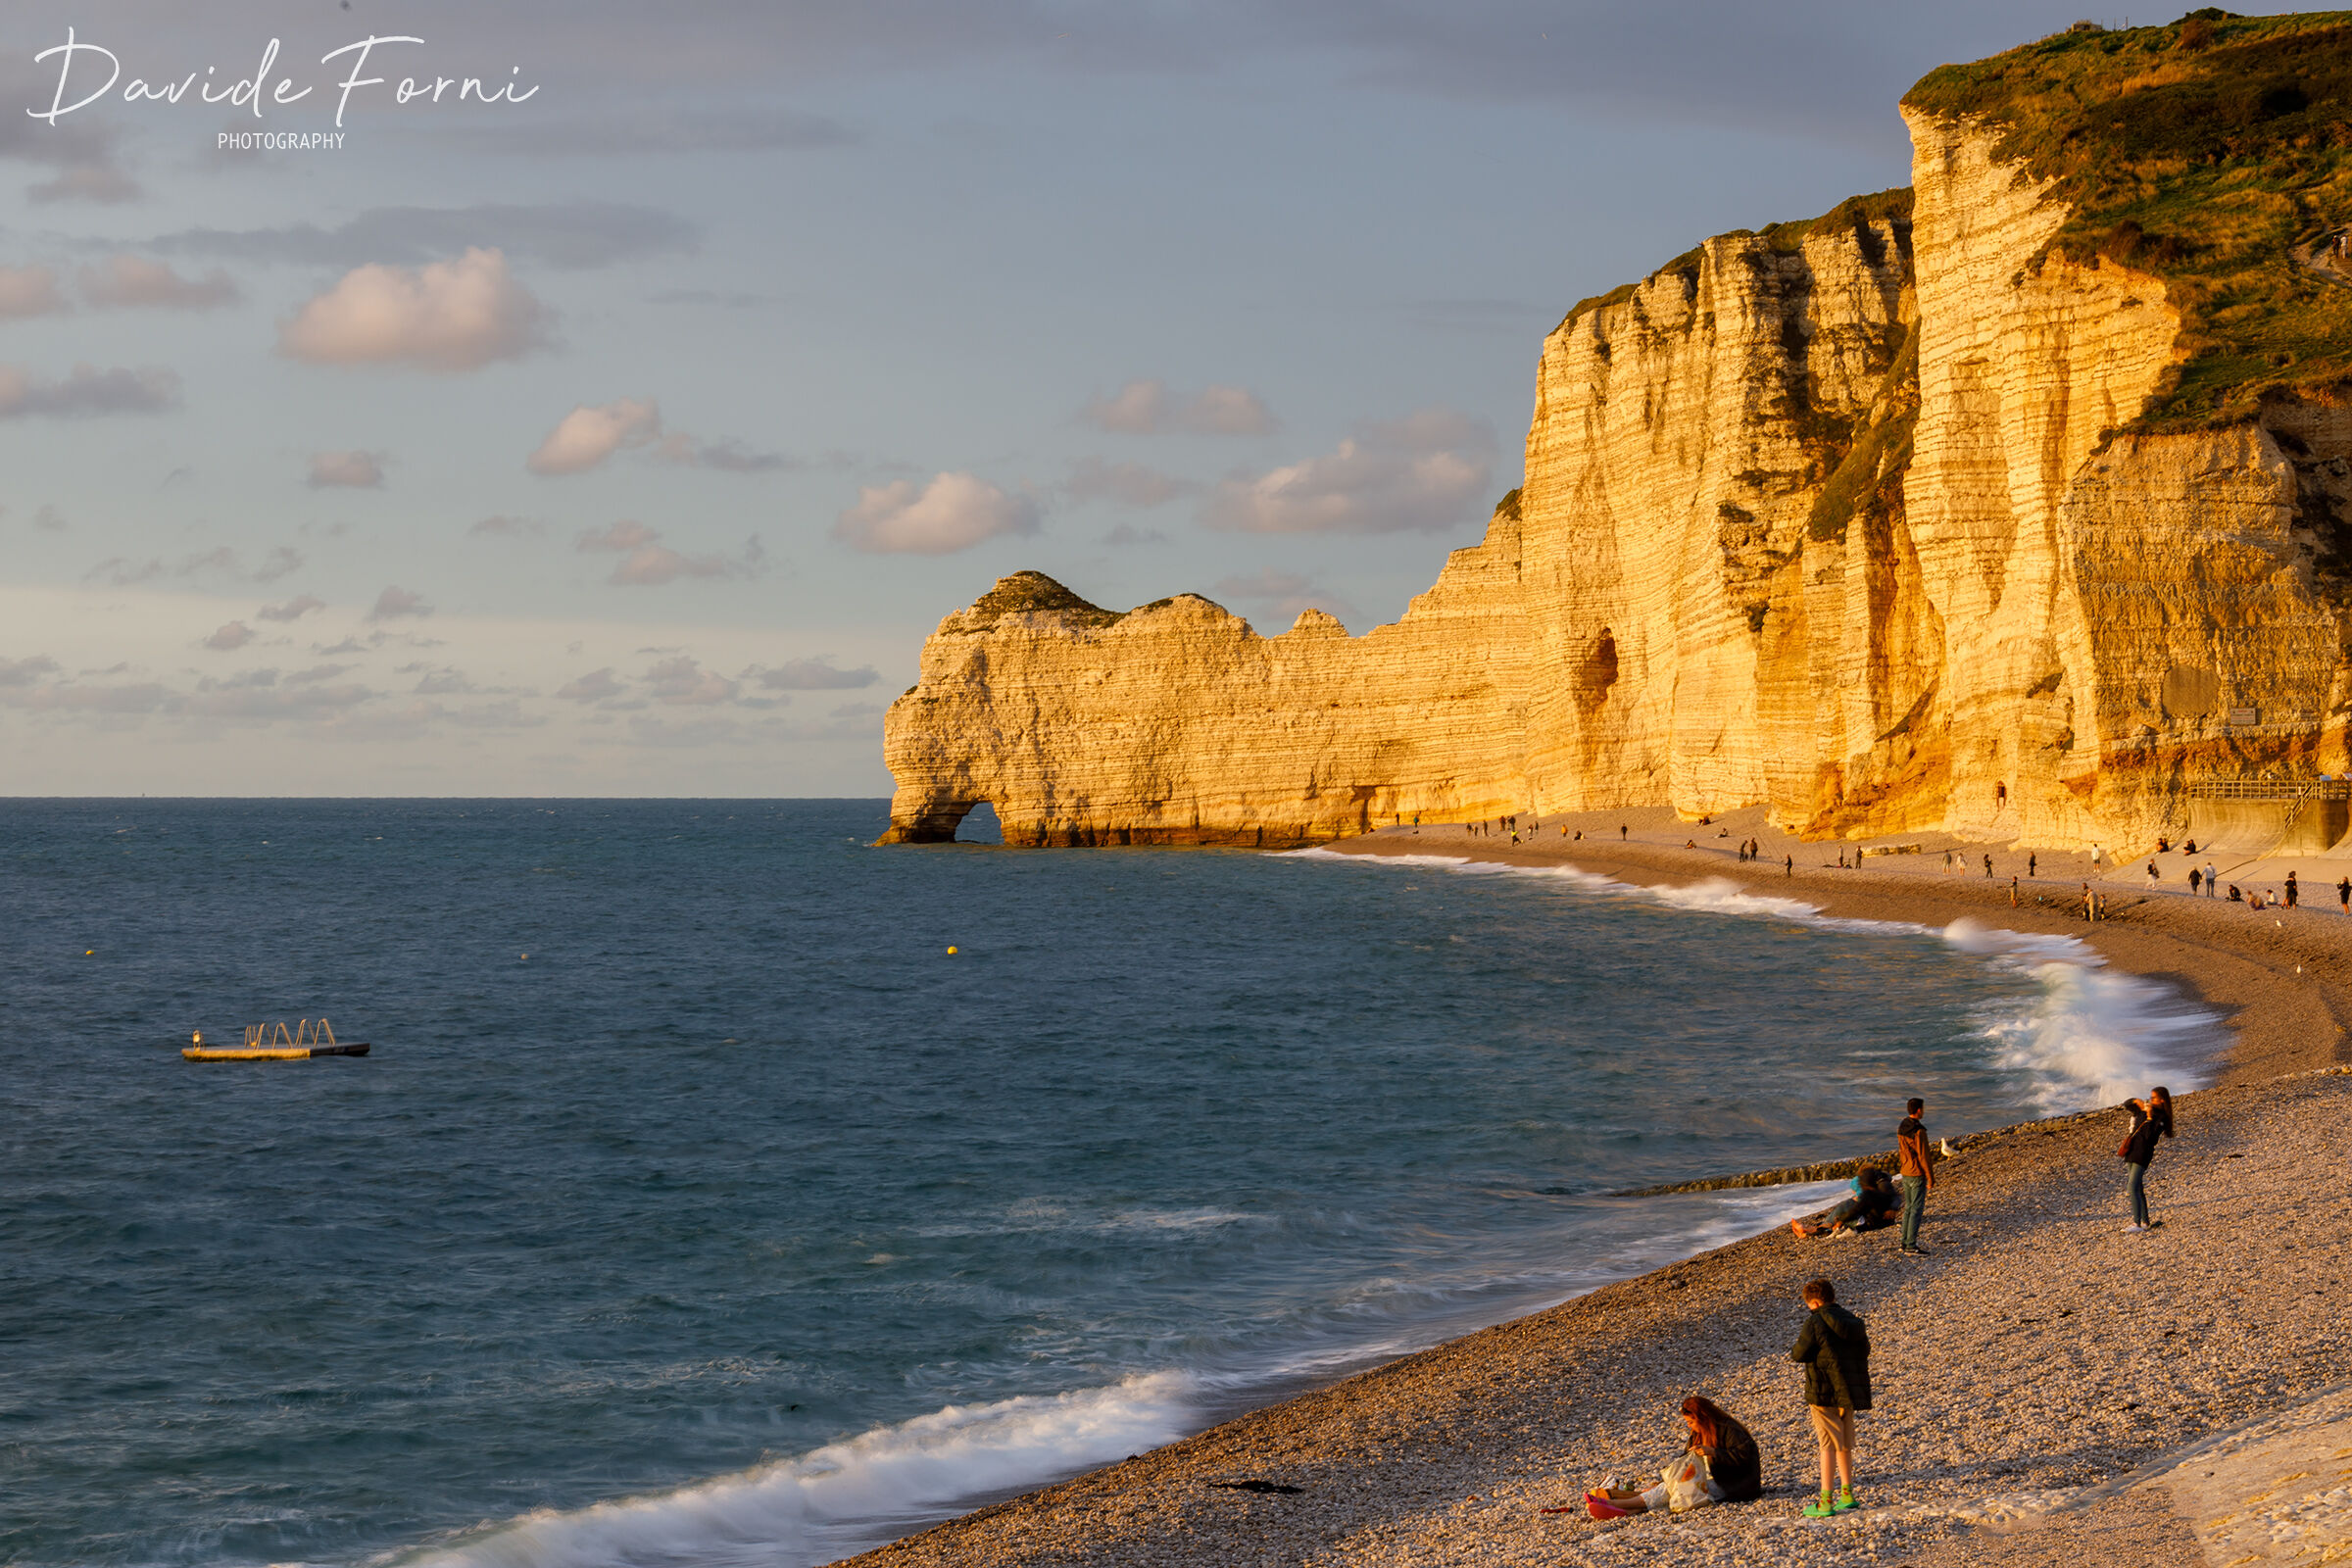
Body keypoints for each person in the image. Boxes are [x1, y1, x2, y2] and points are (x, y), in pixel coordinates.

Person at [1584, 1396, 1762, 1518]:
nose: (1690, 1427)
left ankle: (1617, 1504)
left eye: (1691, 1422)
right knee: (1673, 1488)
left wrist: (1714, 1452)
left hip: (1733, 1486)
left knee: (1673, 1491)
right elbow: (1684, 1463)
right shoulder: (1697, 1434)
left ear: (1703, 1418)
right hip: (1710, 1481)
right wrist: (1666, 1481)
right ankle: (1631, 1510)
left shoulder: (1729, 1429)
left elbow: (1745, 1458)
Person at [1790, 1279, 1871, 1517]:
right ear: (1832, 1297)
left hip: (1823, 1390)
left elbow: (1799, 1354)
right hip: (1848, 1390)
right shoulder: (1854, 1321)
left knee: (1827, 1444)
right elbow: (1864, 1350)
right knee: (1844, 1443)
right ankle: (1847, 1495)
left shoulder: (1815, 1321)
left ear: (1814, 1302)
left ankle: (1825, 1500)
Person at [2120, 1086, 2176, 1232]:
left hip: (2143, 1154)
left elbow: (2149, 1137)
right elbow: (2126, 1105)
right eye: (2150, 1098)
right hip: (2131, 1151)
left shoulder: (2161, 1118)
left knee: (2131, 1188)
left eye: (2153, 1098)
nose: (2150, 1101)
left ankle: (2136, 1224)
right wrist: (2135, 1101)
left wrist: (2150, 1117)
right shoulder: (2144, 1110)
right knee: (2138, 1188)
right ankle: (2145, 1222)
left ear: (2162, 1100)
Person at [1789, 1168, 1899, 1238]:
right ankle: (1811, 1230)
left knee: (1842, 1219)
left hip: (1871, 1224)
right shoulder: (1881, 1186)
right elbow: (1896, 1197)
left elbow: (1856, 1210)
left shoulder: (1874, 1191)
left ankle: (1810, 1231)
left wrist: (1842, 1220)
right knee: (1842, 1216)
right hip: (1877, 1222)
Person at [1895, 1099, 1933, 1255]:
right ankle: (1911, 1245)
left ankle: (1904, 1242)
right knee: (1916, 1209)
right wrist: (1930, 1177)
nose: (1924, 1111)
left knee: (1909, 1208)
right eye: (1923, 1108)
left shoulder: (1903, 1126)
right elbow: (1924, 1156)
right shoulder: (1919, 1131)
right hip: (1917, 1173)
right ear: (1918, 1110)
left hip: (1905, 1171)